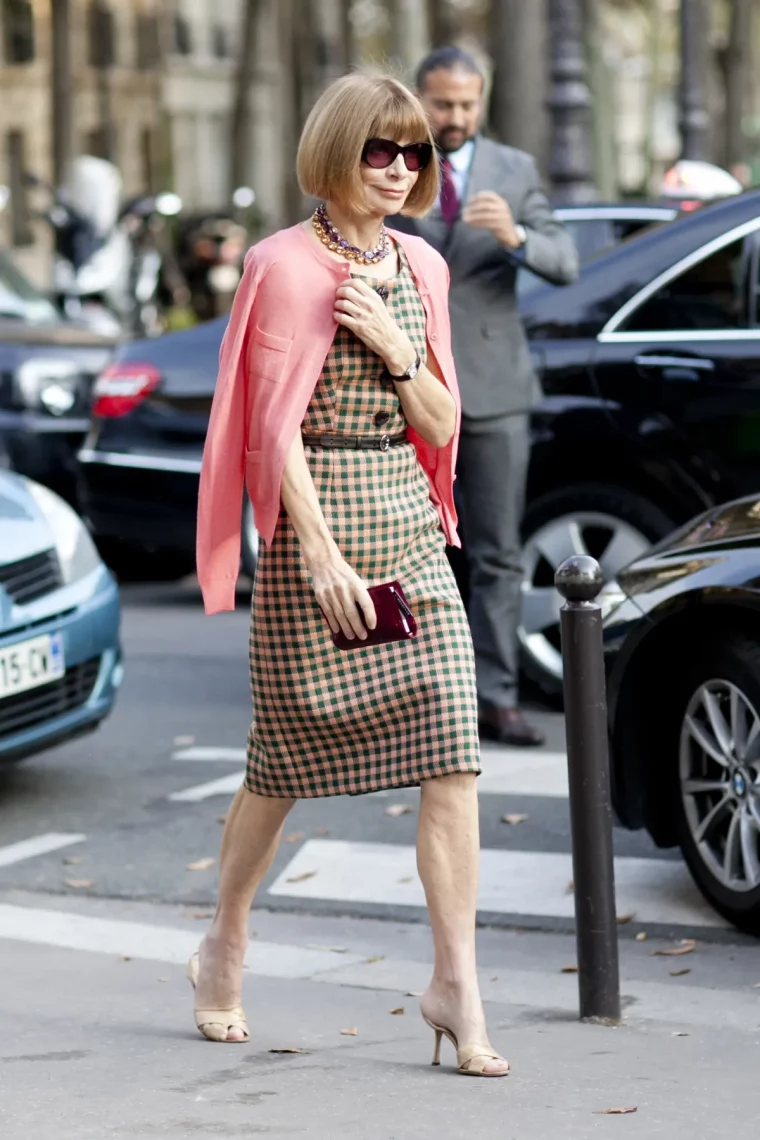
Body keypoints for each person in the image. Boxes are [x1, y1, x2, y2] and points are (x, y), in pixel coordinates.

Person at [192, 70, 509, 1077]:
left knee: (453, 753)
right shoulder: (279, 267)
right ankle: (225, 940)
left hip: (409, 525)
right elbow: (267, 426)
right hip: (313, 525)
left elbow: (444, 424)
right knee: (281, 765)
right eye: (380, 150)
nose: (400, 168)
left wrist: (392, 347)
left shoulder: (422, 265)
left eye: (414, 152)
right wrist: (318, 552)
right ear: (337, 152)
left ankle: (456, 983)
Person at [389, 47, 579, 747]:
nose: (457, 117)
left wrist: (519, 236)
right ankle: (411, 699)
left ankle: (493, 696)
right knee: (404, 548)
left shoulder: (514, 170)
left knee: (497, 551)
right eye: (443, 104)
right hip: (406, 384)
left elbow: (565, 261)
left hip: (495, 388)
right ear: (420, 97)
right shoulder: (388, 157)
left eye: (469, 105)